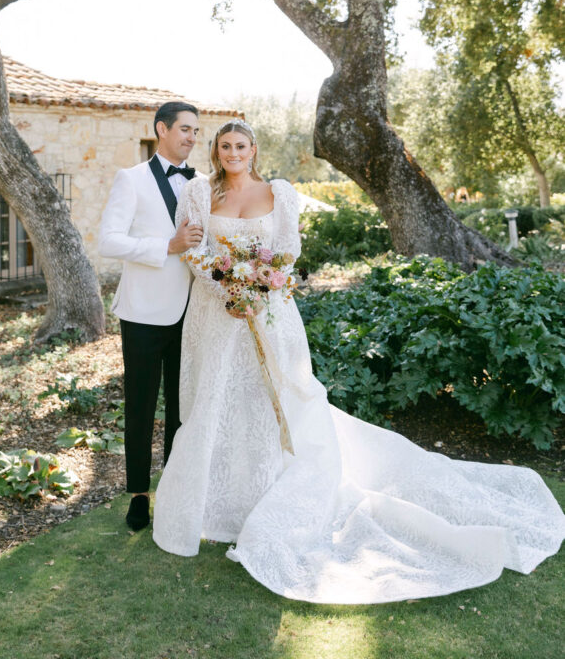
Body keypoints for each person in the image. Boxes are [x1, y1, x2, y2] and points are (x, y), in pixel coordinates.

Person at [152, 119, 565, 604]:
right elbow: (194, 250)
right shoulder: (200, 194)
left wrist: (259, 284)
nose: (233, 153)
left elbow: (288, 249)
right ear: (217, 151)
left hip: (270, 311)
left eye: (241, 145)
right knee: (218, 400)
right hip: (218, 315)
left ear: (254, 149)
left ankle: (266, 500)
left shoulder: (279, 192)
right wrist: (230, 286)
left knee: (278, 401)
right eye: (225, 146)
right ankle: (217, 508)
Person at [98, 101, 203, 531]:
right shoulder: (132, 180)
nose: (192, 138)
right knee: (141, 406)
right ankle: (139, 495)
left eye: (196, 131)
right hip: (142, 313)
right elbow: (109, 241)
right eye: (184, 129)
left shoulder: (204, 184)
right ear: (161, 129)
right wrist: (167, 247)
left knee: (184, 407)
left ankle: (176, 490)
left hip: (194, 311)